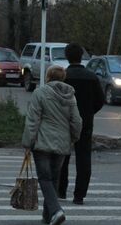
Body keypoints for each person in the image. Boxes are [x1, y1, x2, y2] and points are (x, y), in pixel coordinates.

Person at [22, 65, 82, 225]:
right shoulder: (71, 96)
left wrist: (27, 143)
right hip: (62, 144)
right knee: (53, 179)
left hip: (42, 144)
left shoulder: (40, 93)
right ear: (63, 78)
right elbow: (76, 121)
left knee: (45, 179)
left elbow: (33, 120)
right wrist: (73, 138)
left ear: (48, 77)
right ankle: (47, 217)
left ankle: (56, 210)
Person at [57, 43, 105, 205]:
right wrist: (89, 112)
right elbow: (100, 100)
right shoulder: (91, 77)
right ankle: (79, 195)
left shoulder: (63, 77)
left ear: (67, 56)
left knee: (62, 156)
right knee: (84, 158)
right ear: (81, 56)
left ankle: (61, 190)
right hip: (85, 123)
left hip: (64, 122)